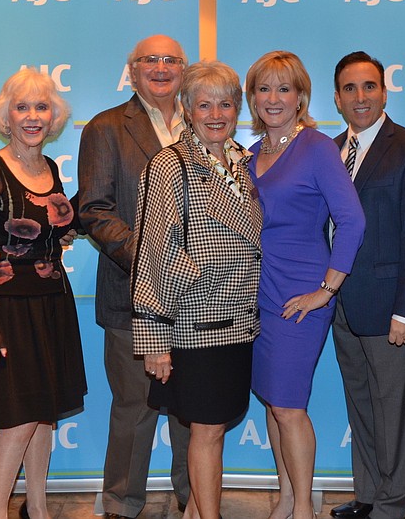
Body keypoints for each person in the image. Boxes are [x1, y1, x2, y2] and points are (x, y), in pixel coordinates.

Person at [131, 60, 262, 519]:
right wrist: (154, 341)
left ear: (237, 109)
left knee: (216, 428)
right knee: (206, 431)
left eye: (225, 103)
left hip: (239, 324)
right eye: (203, 103)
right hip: (195, 326)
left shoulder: (242, 164)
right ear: (185, 108)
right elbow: (152, 253)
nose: (215, 113)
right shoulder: (170, 164)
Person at [0, 68, 87, 519]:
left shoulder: (48, 168)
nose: (32, 116)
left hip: (52, 302)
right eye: (22, 107)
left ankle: (37, 508)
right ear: (6, 118)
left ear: (53, 117)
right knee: (17, 420)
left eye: (41, 107)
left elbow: (56, 231)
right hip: (7, 310)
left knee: (45, 412)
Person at [246, 50, 365, 519]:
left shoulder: (316, 147)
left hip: (301, 293)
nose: (273, 98)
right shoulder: (250, 154)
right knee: (274, 401)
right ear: (252, 97)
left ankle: (303, 511)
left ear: (301, 97)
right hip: (257, 292)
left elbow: (352, 221)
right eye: (263, 88)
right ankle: (285, 498)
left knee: (290, 405)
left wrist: (327, 290)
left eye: (284, 88)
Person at [78, 34, 192, 519]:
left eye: (171, 60)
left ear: (184, 70)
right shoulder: (106, 128)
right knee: (135, 406)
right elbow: (95, 211)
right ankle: (121, 504)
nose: (161, 68)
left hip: (199, 300)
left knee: (193, 408)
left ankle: (196, 497)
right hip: (131, 296)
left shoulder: (205, 122)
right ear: (133, 69)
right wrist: (151, 261)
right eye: (150, 60)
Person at [328, 51, 405, 519]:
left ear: (384, 91)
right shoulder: (331, 150)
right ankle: (370, 494)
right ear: (337, 98)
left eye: (369, 86)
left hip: (391, 305)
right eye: (350, 89)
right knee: (363, 407)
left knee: (395, 412)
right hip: (339, 306)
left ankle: (393, 505)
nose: (360, 97)